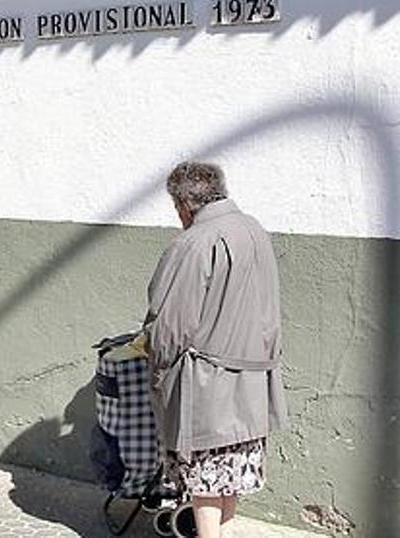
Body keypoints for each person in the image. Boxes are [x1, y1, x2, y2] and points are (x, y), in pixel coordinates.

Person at [143, 161, 288, 538]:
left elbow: (171, 326)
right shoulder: (254, 229)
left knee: (206, 479)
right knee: (231, 473)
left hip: (208, 386)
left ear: (183, 204)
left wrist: (156, 360)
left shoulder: (194, 242)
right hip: (254, 379)